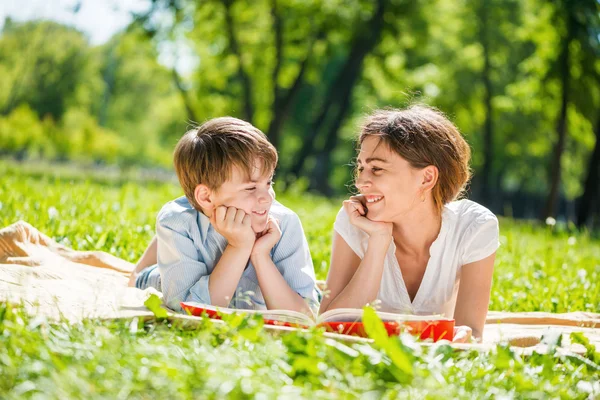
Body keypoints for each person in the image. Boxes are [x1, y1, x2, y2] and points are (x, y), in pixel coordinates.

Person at [319, 105, 499, 342]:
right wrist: (378, 242)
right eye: (361, 167)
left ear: (426, 178)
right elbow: (328, 325)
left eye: (377, 169)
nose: (362, 181)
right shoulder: (354, 221)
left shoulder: (473, 227)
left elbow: (471, 334)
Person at [129, 117, 319, 315]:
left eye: (268, 183)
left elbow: (304, 317)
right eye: (251, 187)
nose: (267, 198)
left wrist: (260, 255)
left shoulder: (284, 223)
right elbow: (191, 312)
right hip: (162, 277)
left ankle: (162, 244)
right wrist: (239, 246)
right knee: (136, 277)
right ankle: (156, 250)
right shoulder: (177, 221)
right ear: (206, 196)